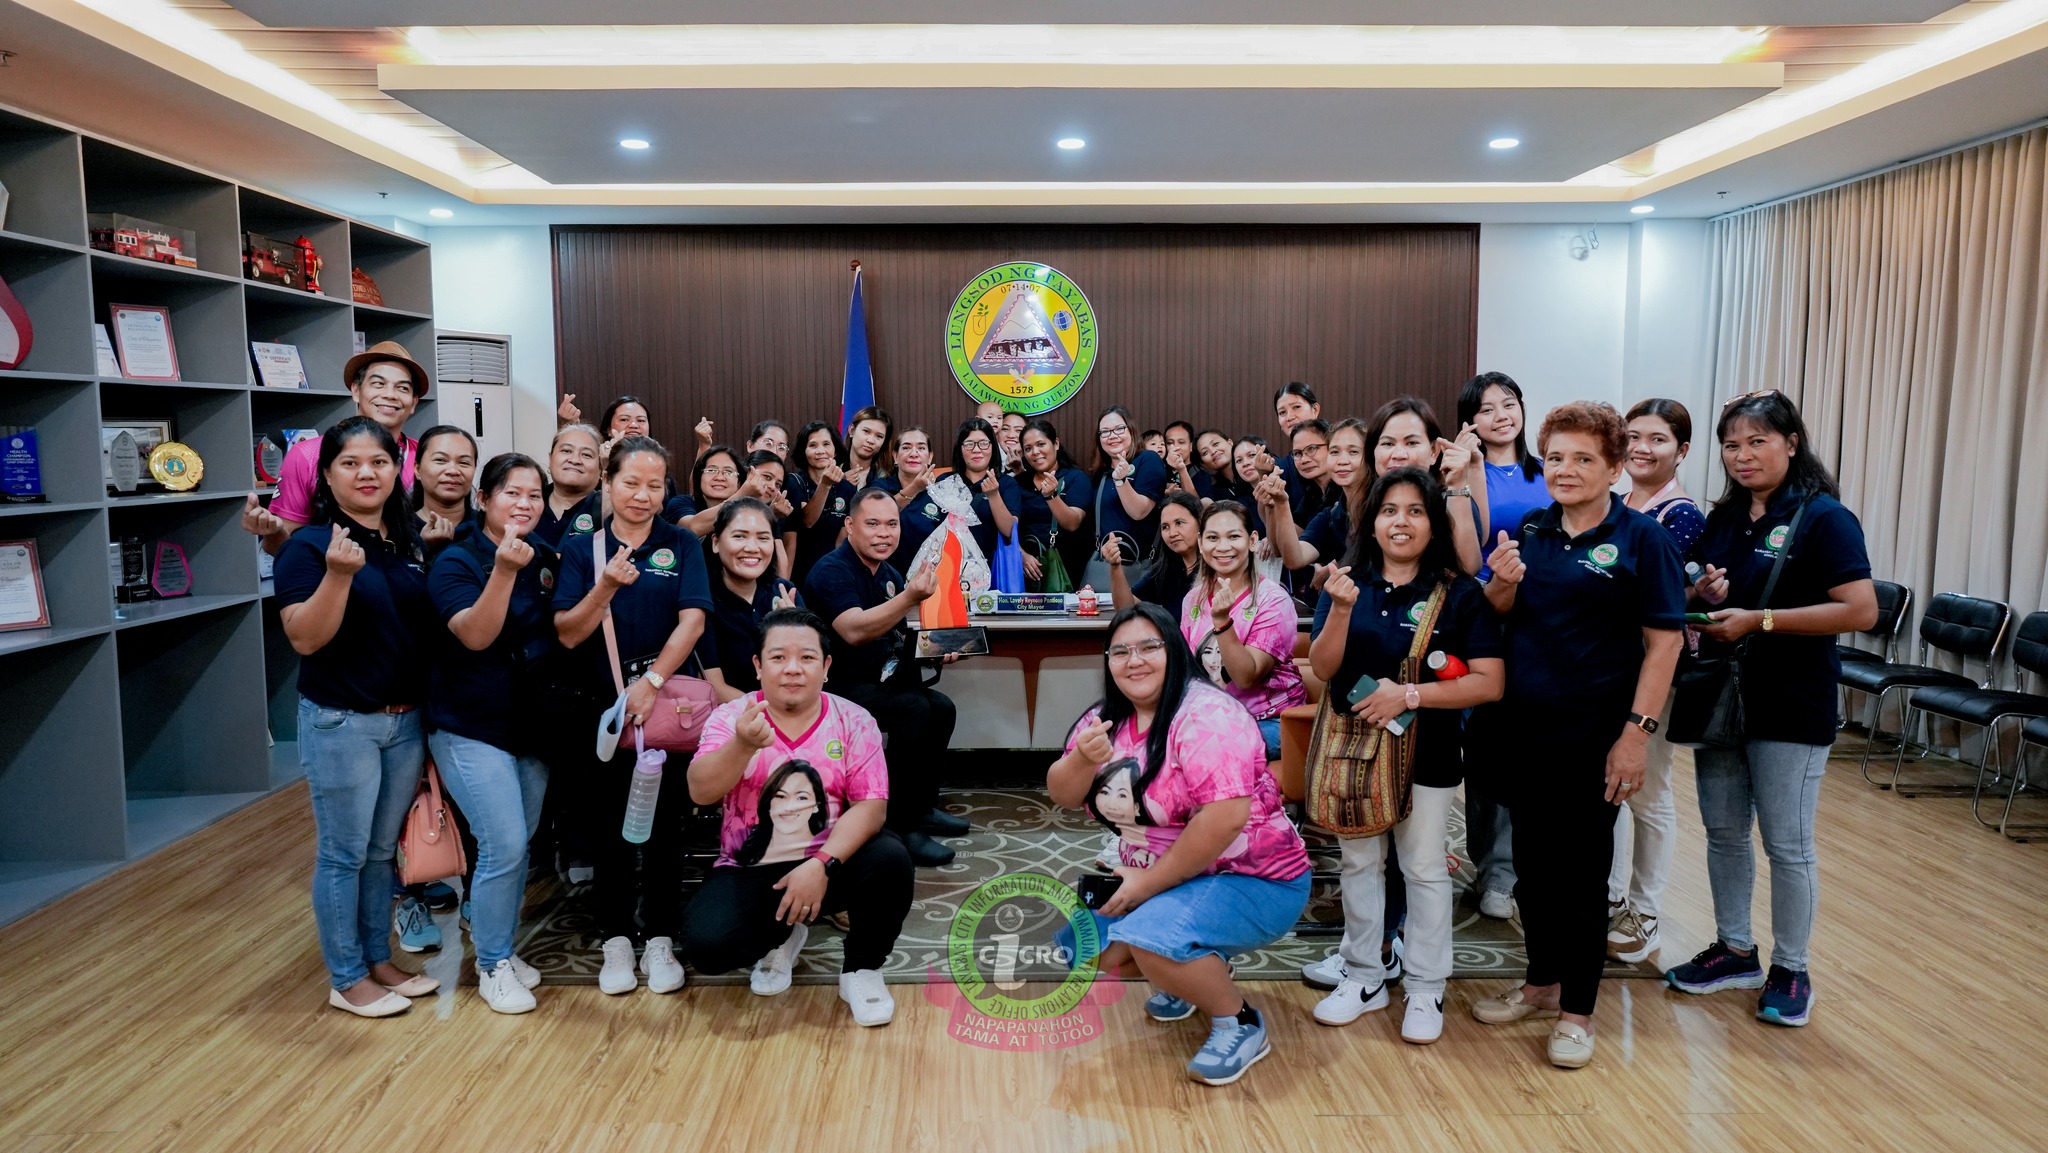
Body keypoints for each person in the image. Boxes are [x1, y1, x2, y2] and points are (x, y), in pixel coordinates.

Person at [1469, 401, 1684, 1069]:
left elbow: (1664, 643)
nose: (1565, 469)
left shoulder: (1645, 540)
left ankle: (1578, 1012)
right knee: (1531, 873)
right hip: (1525, 729)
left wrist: (1636, 735)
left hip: (1596, 734)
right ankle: (1540, 982)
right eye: (1556, 456)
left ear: (1615, 466)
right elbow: (1502, 615)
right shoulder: (1533, 529)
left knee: (1582, 877)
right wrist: (1500, 588)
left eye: (1583, 457)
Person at [1664, 391, 1877, 1029]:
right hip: (1721, 696)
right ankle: (1735, 949)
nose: (1743, 455)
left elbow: (1861, 610)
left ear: (1790, 443)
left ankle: (1792, 966)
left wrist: (1760, 620)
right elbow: (1702, 589)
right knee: (1725, 833)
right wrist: (1703, 592)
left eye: (1758, 441)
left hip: (1793, 700)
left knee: (1788, 844)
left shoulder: (1823, 518)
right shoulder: (1724, 518)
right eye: (1732, 444)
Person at [1048, 603, 1312, 1085]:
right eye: (1121, 651)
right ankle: (1191, 973)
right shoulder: (1107, 717)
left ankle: (1239, 1021)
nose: (1135, 661)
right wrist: (1083, 760)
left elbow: (1226, 818)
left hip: (1254, 877)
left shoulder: (1208, 717)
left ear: (1175, 650)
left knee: (1150, 944)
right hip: (1166, 876)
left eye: (1150, 647)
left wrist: (1147, 886)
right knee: (1090, 954)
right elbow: (1062, 793)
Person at [1302, 467, 1505, 1042]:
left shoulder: (1459, 592)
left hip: (1430, 755)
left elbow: (1489, 682)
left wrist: (1409, 695)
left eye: (1416, 511)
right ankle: (1364, 975)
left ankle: (1424, 986)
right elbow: (1322, 670)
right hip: (1353, 756)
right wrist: (1339, 609)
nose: (1401, 522)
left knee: (1421, 868)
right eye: (1390, 510)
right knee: (1361, 865)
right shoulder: (1346, 581)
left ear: (1433, 523)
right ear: (1372, 522)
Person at [273, 416, 438, 1018]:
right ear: (326, 474)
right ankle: (346, 977)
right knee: (342, 853)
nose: (367, 473)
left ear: (399, 471)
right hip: (341, 722)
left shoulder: (406, 542)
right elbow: (305, 639)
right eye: (350, 463)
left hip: (404, 722)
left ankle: (378, 959)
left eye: (380, 462)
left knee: (377, 853)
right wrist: (339, 578)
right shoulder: (308, 548)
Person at [683, 609, 916, 1025]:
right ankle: (784, 934)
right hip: (751, 866)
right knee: (708, 947)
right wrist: (741, 744)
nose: (792, 669)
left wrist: (821, 864)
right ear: (758, 666)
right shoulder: (731, 717)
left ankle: (861, 970)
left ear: (826, 667)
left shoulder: (853, 719)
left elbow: (871, 807)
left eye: (807, 658)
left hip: (832, 860)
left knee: (890, 858)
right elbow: (701, 790)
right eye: (777, 658)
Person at [552, 435, 721, 997]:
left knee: (666, 825)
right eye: (630, 483)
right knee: (611, 830)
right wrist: (605, 586)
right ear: (608, 483)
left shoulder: (682, 544)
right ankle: (616, 938)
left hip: (665, 709)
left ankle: (661, 938)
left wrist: (649, 684)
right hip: (602, 715)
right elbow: (569, 632)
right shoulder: (583, 549)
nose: (642, 495)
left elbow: (693, 620)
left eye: (654, 485)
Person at [425, 453, 557, 1014]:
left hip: (530, 728)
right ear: (483, 500)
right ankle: (494, 964)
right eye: (511, 493)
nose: (523, 505)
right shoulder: (455, 562)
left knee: (515, 846)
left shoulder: (546, 557)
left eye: (534, 495)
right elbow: (475, 636)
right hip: (468, 726)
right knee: (502, 843)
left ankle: (496, 945)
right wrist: (503, 571)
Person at [802, 488, 960, 866]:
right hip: (834, 686)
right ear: (851, 526)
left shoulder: (887, 573)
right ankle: (900, 826)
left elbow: (895, 635)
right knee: (914, 709)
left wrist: (938, 650)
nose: (883, 533)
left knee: (941, 707)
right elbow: (854, 630)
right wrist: (909, 598)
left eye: (891, 524)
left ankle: (921, 808)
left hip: (875, 680)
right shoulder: (832, 570)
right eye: (872, 524)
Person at [1604, 398, 1707, 964]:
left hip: (1657, 669)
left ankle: (1646, 911)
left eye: (1658, 439)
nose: (1643, 448)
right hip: (1614, 664)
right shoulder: (1617, 501)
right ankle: (1614, 895)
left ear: (1682, 451)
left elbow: (1649, 593)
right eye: (1634, 436)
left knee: (1650, 789)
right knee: (1613, 788)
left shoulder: (1681, 515)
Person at [244, 341, 427, 556]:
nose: (390, 394)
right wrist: (273, 533)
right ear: (356, 390)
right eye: (378, 384)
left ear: (414, 402)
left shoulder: (425, 458)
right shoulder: (307, 455)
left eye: (402, 388)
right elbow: (280, 548)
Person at [1179, 501, 1305, 759]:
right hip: (1213, 719)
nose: (1223, 547)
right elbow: (1186, 670)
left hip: (1269, 720)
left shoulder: (1274, 599)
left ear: (1252, 540)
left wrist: (1223, 622)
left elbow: (1246, 677)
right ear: (1201, 543)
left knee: (1205, 752)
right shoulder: (1193, 599)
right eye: (1213, 538)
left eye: (1234, 536)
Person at [704, 497, 801, 698]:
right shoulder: (702, 598)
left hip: (789, 711)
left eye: (763, 538)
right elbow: (714, 687)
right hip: (730, 720)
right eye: (739, 536)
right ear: (716, 542)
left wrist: (792, 632)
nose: (752, 547)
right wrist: (769, 715)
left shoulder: (785, 592)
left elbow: (807, 672)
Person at [1016, 418, 1092, 591]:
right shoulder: (1019, 482)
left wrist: (1051, 496)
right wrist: (1020, 554)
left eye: (1041, 444)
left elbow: (1073, 523)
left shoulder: (1075, 478)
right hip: (1024, 574)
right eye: (1028, 449)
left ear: (1056, 443)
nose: (1035, 452)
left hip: (1066, 571)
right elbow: (1006, 526)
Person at [1105, 492, 1201, 624]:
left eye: (1179, 523)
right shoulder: (1165, 569)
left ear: (1200, 523)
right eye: (1165, 527)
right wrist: (1115, 566)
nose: (1172, 533)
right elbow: (1126, 608)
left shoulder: (1216, 567)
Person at [784, 421, 857, 587]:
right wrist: (825, 485)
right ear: (804, 451)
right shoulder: (794, 482)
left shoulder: (847, 489)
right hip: (799, 573)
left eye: (826, 444)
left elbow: (842, 540)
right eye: (813, 445)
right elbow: (808, 521)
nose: (820, 451)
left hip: (831, 572)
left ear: (835, 449)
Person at [1093, 405, 1170, 562]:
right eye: (1105, 432)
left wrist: (1121, 480)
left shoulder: (1148, 459)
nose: (1112, 435)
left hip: (1141, 563)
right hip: (1106, 563)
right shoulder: (1101, 474)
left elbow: (1139, 512)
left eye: (1119, 429)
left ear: (1131, 430)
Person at [950, 418, 1021, 564]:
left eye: (983, 443)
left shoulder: (1007, 484)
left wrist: (993, 495)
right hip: (952, 565)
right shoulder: (947, 482)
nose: (977, 450)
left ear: (992, 447)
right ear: (960, 448)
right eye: (969, 444)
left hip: (993, 568)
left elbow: (1009, 532)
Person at [879, 427, 943, 573]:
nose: (914, 454)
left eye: (921, 448)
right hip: (882, 578)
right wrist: (915, 488)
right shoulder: (879, 487)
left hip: (926, 582)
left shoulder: (941, 496)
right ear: (895, 456)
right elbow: (878, 512)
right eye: (906, 447)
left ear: (930, 456)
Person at [410, 425, 479, 559]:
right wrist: (423, 548)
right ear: (418, 469)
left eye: (464, 463)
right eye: (440, 460)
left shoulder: (487, 528)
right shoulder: (396, 529)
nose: (453, 471)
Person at [534, 424, 604, 551]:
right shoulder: (529, 503)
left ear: (600, 468)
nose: (574, 460)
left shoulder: (607, 508)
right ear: (550, 459)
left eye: (586, 455)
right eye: (566, 451)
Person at [843, 406, 895, 490]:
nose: (871, 441)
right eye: (866, 431)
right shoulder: (833, 469)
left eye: (879, 436)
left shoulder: (888, 477)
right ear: (852, 430)